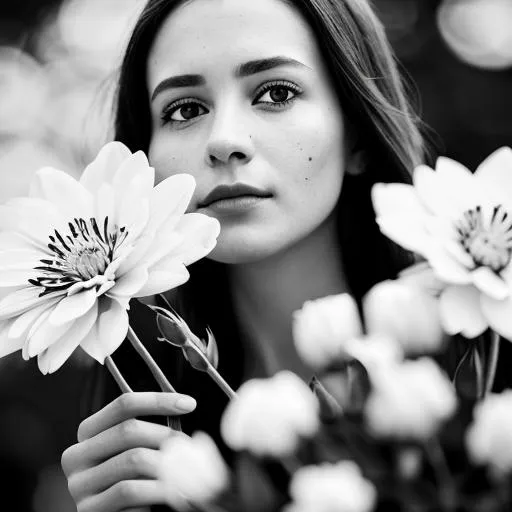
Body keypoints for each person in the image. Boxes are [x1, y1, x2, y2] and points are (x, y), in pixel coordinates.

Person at [61, 0, 425, 510]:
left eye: (276, 92)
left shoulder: (482, 372)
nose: (225, 140)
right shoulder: (151, 434)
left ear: (357, 132)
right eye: (185, 109)